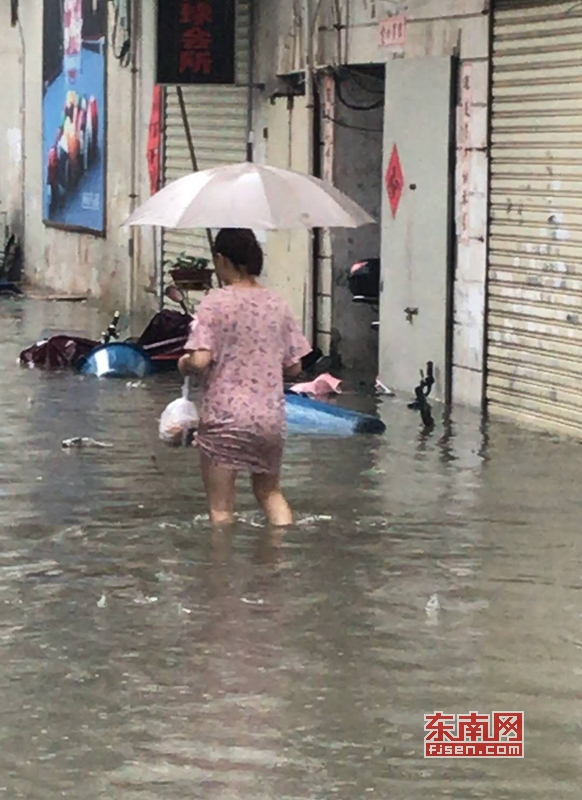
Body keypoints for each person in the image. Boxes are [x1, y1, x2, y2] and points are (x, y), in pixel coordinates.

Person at [178, 229, 312, 527]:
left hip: (225, 418)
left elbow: (200, 361)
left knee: (222, 509)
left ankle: (221, 570)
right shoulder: (277, 304)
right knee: (270, 493)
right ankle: (279, 558)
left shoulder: (215, 303)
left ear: (223, 259)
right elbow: (294, 368)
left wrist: (183, 362)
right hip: (269, 418)